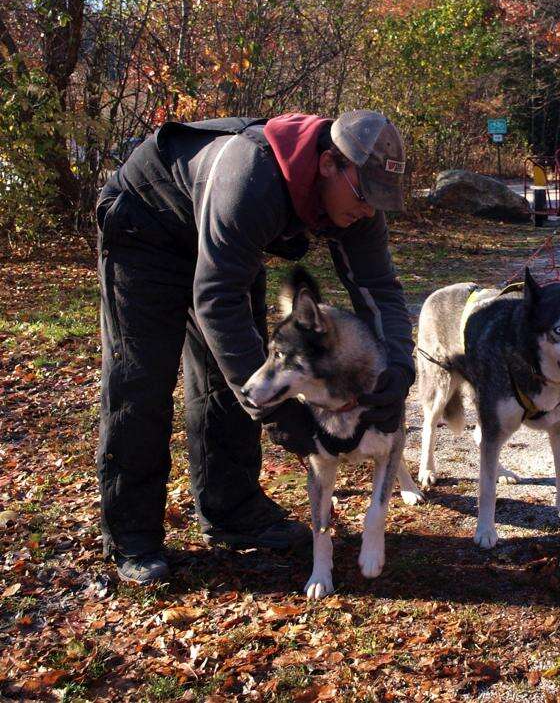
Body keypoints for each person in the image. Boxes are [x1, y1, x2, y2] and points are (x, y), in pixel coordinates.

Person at [96, 110, 414, 584]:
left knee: (230, 383)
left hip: (224, 245)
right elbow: (217, 297)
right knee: (141, 382)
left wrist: (399, 371)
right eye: (366, 196)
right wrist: (279, 415)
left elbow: (378, 288)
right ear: (329, 164)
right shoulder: (251, 177)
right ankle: (132, 536)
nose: (370, 210)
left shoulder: (355, 199)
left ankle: (233, 510)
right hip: (146, 227)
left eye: (380, 199)